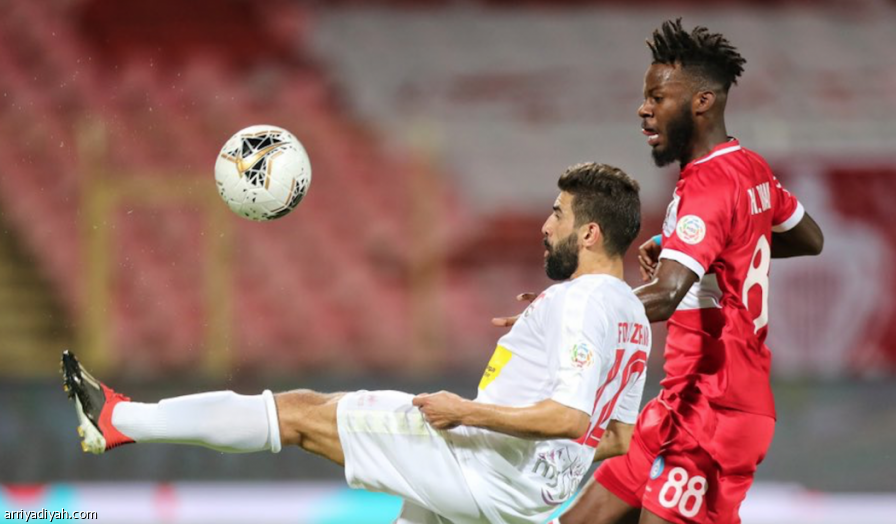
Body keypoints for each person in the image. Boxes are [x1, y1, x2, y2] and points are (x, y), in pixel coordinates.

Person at [62, 162, 652, 524]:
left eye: (558, 215)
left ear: (589, 232)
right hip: (525, 496)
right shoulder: (631, 315)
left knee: (300, 413)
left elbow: (570, 417)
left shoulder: (582, 302)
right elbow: (618, 436)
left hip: (480, 468)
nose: (545, 226)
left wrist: (465, 412)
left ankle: (118, 419)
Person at [517, 20, 824, 524]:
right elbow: (809, 238)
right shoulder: (749, 168)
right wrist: (698, 246)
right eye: (646, 97)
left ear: (702, 102)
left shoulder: (708, 186)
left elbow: (665, 293)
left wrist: (566, 307)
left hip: (715, 409)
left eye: (658, 98)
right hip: (679, 404)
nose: (644, 109)